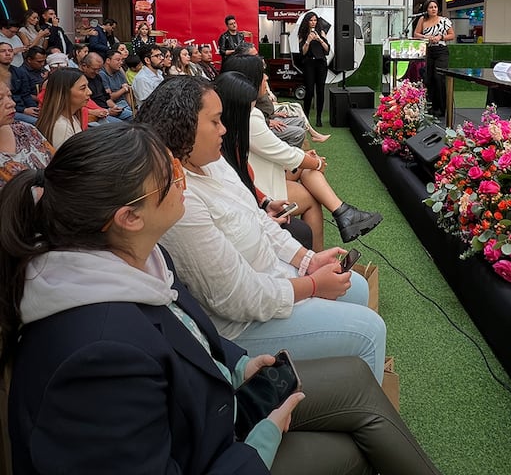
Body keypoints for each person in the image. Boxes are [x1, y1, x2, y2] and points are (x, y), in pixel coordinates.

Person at [0, 124, 441, 475]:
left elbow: (186, 330)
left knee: (356, 383)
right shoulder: (95, 357)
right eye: (170, 177)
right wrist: (262, 442)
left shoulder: (140, 256)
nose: (182, 181)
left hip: (214, 405)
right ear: (128, 217)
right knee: (351, 447)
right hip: (211, 444)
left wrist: (236, 365)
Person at [134, 77, 387, 381]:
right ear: (183, 127)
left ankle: (344, 384)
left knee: (357, 286)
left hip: (273, 280)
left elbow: (257, 219)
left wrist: (307, 259)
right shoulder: (180, 199)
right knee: (370, 331)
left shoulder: (210, 161)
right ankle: (359, 403)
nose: (224, 129)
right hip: (243, 326)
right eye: (215, 122)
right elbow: (235, 298)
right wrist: (312, 286)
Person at [220, 57, 382, 248]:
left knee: (307, 168)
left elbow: (280, 152)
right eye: (261, 74)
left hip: (264, 175)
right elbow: (282, 153)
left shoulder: (244, 111)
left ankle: (343, 214)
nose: (265, 77)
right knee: (312, 194)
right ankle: (328, 238)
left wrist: (307, 159)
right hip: (262, 185)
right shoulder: (250, 115)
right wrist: (316, 163)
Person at [0, 80, 52, 187]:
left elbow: (57, 165)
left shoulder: (25, 129)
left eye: (9, 96)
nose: (12, 103)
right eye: (0, 99)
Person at [257, 76, 329, 147]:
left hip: (270, 115)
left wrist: (274, 114)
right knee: (299, 129)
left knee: (301, 121)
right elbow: (251, 115)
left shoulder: (261, 83)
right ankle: (290, 155)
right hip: (264, 123)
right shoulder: (253, 89)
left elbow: (266, 105)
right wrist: (268, 121)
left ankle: (297, 151)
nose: (266, 77)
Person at [413, 0, 454, 118]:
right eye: (431, 7)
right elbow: (416, 34)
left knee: (438, 77)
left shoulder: (444, 21)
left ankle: (442, 109)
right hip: (429, 51)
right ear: (426, 9)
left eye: (435, 7)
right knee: (429, 78)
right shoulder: (422, 20)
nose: (434, 9)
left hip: (441, 51)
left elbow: (452, 35)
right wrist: (426, 37)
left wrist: (440, 37)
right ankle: (433, 107)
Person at [35, 67, 90, 149]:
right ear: (65, 93)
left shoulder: (72, 117)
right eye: (83, 88)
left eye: (87, 86)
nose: (89, 92)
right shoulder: (61, 127)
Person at [297, 11, 330, 126]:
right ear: (307, 21)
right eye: (311, 20)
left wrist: (319, 39)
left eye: (315, 20)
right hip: (309, 64)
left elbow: (327, 50)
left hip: (321, 64)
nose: (313, 22)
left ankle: (319, 118)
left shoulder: (321, 32)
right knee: (309, 90)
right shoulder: (302, 33)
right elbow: (302, 53)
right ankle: (305, 117)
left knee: (320, 91)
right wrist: (308, 40)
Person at [10, 46, 47, 125]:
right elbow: (24, 95)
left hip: (34, 105)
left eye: (44, 61)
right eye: (39, 62)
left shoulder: (43, 70)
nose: (42, 64)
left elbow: (26, 95)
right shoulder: (21, 72)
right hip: (18, 109)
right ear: (29, 60)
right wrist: (24, 110)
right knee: (39, 122)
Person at [99, 49, 134, 120]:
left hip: (124, 103)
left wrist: (132, 108)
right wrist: (123, 89)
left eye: (122, 60)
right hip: (112, 106)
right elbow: (109, 97)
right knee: (134, 117)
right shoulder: (102, 74)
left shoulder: (118, 71)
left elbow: (127, 91)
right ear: (108, 61)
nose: (121, 62)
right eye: (118, 60)